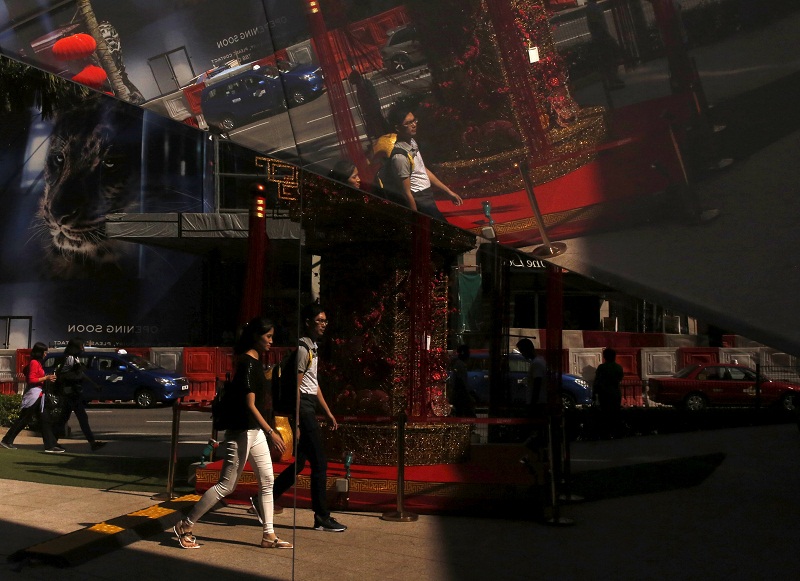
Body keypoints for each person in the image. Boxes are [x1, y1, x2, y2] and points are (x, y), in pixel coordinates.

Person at [173, 317, 290, 550]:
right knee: (227, 486)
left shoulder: (256, 362)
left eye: (272, 337)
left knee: (267, 480)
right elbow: (250, 404)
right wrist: (272, 432)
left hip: (254, 432)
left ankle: (269, 534)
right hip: (242, 432)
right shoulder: (247, 363)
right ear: (256, 336)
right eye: (268, 336)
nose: (271, 341)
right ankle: (185, 525)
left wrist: (265, 431)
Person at [272, 303, 346, 533]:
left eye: (325, 320)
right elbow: (297, 387)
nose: (324, 324)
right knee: (320, 464)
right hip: (302, 409)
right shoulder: (304, 350)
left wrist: (328, 412)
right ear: (308, 323)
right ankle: (322, 517)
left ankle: (264, 498)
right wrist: (297, 423)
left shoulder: (313, 347)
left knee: (302, 463)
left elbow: (314, 386)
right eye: (319, 321)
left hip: (309, 405)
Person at [383, 103, 463, 220]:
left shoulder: (412, 142)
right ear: (397, 128)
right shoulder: (400, 157)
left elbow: (422, 169)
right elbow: (406, 193)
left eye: (414, 121)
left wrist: (448, 191)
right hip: (419, 199)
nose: (414, 125)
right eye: (408, 123)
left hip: (426, 194)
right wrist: (417, 218)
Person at [1, 342, 63, 453]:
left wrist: (46, 378)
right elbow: (31, 379)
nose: (46, 354)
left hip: (38, 395)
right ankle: (7, 440)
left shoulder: (36, 363)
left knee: (44, 420)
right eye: (45, 352)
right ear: (40, 352)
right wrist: (46, 378)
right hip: (34, 395)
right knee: (24, 419)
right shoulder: (35, 363)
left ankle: (50, 445)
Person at [55, 338, 106, 451]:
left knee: (65, 418)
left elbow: (81, 374)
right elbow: (63, 375)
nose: (82, 349)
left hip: (74, 392)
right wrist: (77, 376)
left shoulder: (75, 358)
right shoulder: (70, 359)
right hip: (70, 393)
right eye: (81, 346)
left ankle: (52, 441)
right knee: (80, 418)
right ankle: (92, 443)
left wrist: (94, 385)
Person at [585, 0, 625, 90]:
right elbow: (596, 23)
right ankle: (612, 79)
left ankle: (613, 78)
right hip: (602, 37)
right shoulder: (592, 8)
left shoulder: (592, 7)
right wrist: (605, 34)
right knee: (612, 56)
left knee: (610, 57)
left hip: (601, 36)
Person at [593, 347, 624, 438]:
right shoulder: (618, 367)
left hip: (604, 393)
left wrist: (594, 393)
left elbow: (597, 381)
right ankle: (616, 432)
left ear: (604, 357)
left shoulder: (601, 367)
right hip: (615, 393)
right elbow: (620, 379)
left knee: (605, 413)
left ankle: (605, 433)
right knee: (615, 413)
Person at [348, 70, 388, 141]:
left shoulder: (364, 84)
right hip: (370, 110)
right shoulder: (362, 84)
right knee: (376, 126)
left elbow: (370, 98)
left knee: (378, 125)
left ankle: (382, 138)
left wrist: (371, 110)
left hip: (372, 110)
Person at [516, 338, 547, 409]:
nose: (522, 354)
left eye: (522, 351)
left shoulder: (536, 363)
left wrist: (533, 404)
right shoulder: (540, 361)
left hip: (537, 404)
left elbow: (537, 383)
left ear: (528, 349)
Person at [450, 345, 476, 417]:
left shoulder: (457, 364)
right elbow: (462, 382)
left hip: (458, 395)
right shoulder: (461, 365)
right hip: (460, 395)